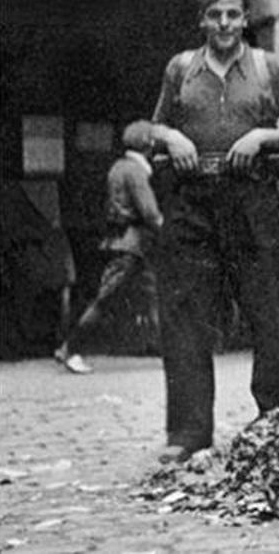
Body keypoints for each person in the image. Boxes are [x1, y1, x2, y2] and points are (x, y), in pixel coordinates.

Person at [149, 0, 279, 463]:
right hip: (192, 203)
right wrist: (170, 136)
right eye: (214, 16)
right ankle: (187, 433)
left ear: (246, 19)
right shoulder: (180, 69)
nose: (224, 24)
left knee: (269, 309)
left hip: (253, 200)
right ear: (202, 22)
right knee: (185, 316)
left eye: (233, 15)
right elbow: (147, 128)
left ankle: (276, 420)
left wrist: (265, 136)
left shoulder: (270, 68)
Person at [55, 121, 162, 374]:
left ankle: (171, 351)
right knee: (107, 299)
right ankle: (70, 348)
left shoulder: (118, 167)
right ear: (147, 144)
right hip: (133, 245)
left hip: (126, 243)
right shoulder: (136, 171)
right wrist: (166, 228)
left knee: (154, 295)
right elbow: (149, 211)